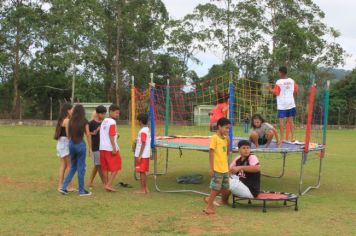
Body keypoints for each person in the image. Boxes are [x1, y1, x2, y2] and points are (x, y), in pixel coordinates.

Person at [59, 104, 92, 196]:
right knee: (81, 168)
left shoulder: (70, 120)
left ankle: (63, 187)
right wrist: (90, 148)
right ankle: (81, 191)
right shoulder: (84, 121)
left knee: (73, 167)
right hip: (80, 144)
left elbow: (68, 134)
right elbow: (88, 134)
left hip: (71, 144)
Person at [203, 117, 231, 215]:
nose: (227, 130)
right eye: (226, 128)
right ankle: (209, 207)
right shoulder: (214, 138)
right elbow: (211, 153)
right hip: (217, 168)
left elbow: (226, 153)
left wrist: (228, 141)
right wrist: (211, 168)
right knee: (215, 188)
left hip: (225, 168)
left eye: (229, 129)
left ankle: (209, 199)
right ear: (219, 127)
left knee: (225, 188)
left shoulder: (225, 139)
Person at [268, 66, 298, 142]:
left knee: (281, 122)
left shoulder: (279, 82)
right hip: (291, 103)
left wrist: (269, 89)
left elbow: (276, 92)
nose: (278, 73)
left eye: (278, 72)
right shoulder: (292, 81)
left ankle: (282, 138)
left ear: (281, 72)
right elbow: (296, 90)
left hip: (282, 104)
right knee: (291, 120)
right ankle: (293, 137)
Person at [54, 103, 76, 192]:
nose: (73, 111)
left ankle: (60, 185)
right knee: (69, 166)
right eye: (72, 109)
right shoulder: (67, 120)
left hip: (60, 143)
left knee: (63, 165)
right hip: (65, 143)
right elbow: (68, 135)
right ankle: (68, 186)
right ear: (68, 110)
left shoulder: (61, 119)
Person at [99, 104, 121, 192]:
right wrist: (114, 147)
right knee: (117, 166)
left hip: (102, 148)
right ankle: (108, 185)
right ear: (111, 112)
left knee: (105, 168)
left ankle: (106, 184)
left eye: (118, 113)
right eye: (116, 113)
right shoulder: (112, 122)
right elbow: (111, 135)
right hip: (110, 148)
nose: (117, 115)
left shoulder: (104, 121)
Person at [88, 105, 107, 188]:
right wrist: (95, 132)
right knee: (98, 165)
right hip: (95, 146)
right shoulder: (91, 123)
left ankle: (90, 182)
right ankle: (105, 183)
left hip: (103, 146)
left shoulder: (104, 122)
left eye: (104, 114)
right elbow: (87, 133)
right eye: (102, 114)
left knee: (98, 165)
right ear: (98, 113)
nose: (103, 116)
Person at [134, 113, 151, 194]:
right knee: (143, 172)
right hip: (145, 154)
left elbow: (143, 143)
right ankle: (146, 188)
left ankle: (142, 190)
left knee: (142, 172)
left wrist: (140, 155)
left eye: (137, 120)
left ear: (140, 121)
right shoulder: (147, 129)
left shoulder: (143, 131)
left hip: (143, 155)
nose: (136, 121)